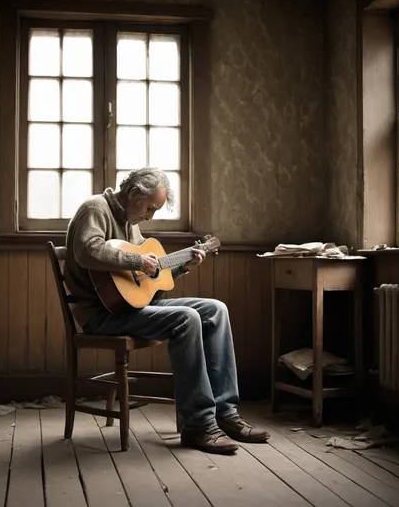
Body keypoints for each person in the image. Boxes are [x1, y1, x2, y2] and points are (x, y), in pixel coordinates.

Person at [64, 167, 270, 454]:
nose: (150, 216)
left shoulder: (131, 222)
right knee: (186, 318)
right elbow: (87, 251)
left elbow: (144, 283)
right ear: (134, 193)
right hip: (101, 316)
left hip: (128, 309)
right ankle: (198, 426)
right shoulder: (94, 208)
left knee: (215, 310)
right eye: (150, 207)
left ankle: (226, 413)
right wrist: (137, 262)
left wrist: (183, 265)